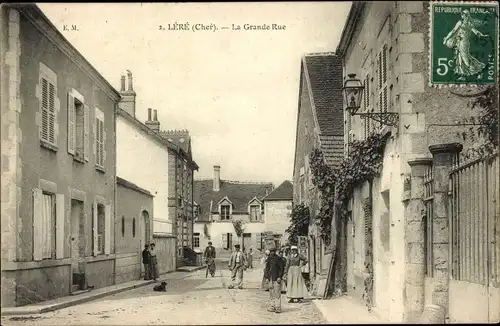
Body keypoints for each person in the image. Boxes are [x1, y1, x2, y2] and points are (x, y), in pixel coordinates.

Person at [265, 246, 286, 313]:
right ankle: (272, 306)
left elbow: (281, 269)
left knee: (277, 293)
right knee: (271, 293)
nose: (272, 253)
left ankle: (278, 307)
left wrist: (280, 277)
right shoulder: (269, 259)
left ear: (275, 252)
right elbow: (267, 269)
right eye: (271, 252)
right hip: (270, 278)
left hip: (276, 278)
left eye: (273, 251)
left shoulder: (279, 259)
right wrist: (267, 277)